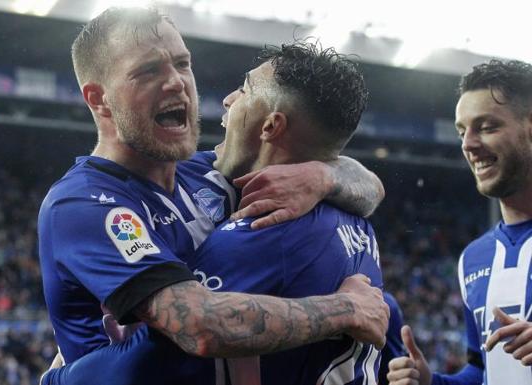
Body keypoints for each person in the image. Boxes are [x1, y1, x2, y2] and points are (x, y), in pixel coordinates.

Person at [38, 5, 388, 370]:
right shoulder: (81, 205)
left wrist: (322, 176)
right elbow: (198, 327)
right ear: (99, 98)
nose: (176, 81)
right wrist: (346, 309)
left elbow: (371, 187)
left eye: (182, 63)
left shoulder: (212, 174)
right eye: (147, 71)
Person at [387, 59, 532, 385]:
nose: (468, 144)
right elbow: (482, 371)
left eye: (487, 127)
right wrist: (431, 381)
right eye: (462, 131)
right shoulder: (473, 259)